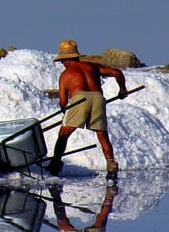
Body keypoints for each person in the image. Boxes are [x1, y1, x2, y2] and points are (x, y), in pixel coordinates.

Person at [47, 39, 128, 180]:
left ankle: (55, 164)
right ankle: (111, 164)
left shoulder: (65, 75)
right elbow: (117, 72)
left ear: (67, 60)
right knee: (102, 135)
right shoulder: (92, 66)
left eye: (62, 61)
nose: (62, 64)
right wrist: (122, 89)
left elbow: (62, 101)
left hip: (80, 99)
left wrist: (64, 111)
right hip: (98, 97)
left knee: (64, 133)